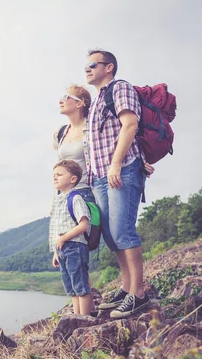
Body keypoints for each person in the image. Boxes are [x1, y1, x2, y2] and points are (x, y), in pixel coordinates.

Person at [85, 49, 150, 319]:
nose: (87, 69)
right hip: (99, 176)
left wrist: (116, 163)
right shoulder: (97, 101)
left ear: (108, 67)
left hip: (120, 169)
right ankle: (126, 288)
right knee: (112, 236)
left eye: (92, 64)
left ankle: (139, 294)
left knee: (123, 231)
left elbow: (130, 124)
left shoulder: (119, 88)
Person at [49, 159, 92, 315]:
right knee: (73, 289)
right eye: (53, 175)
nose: (55, 178)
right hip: (62, 249)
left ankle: (85, 319)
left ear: (73, 179)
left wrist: (63, 238)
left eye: (59, 175)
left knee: (80, 287)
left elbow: (83, 225)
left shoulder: (75, 198)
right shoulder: (58, 201)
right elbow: (57, 230)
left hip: (75, 247)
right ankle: (77, 317)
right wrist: (56, 251)